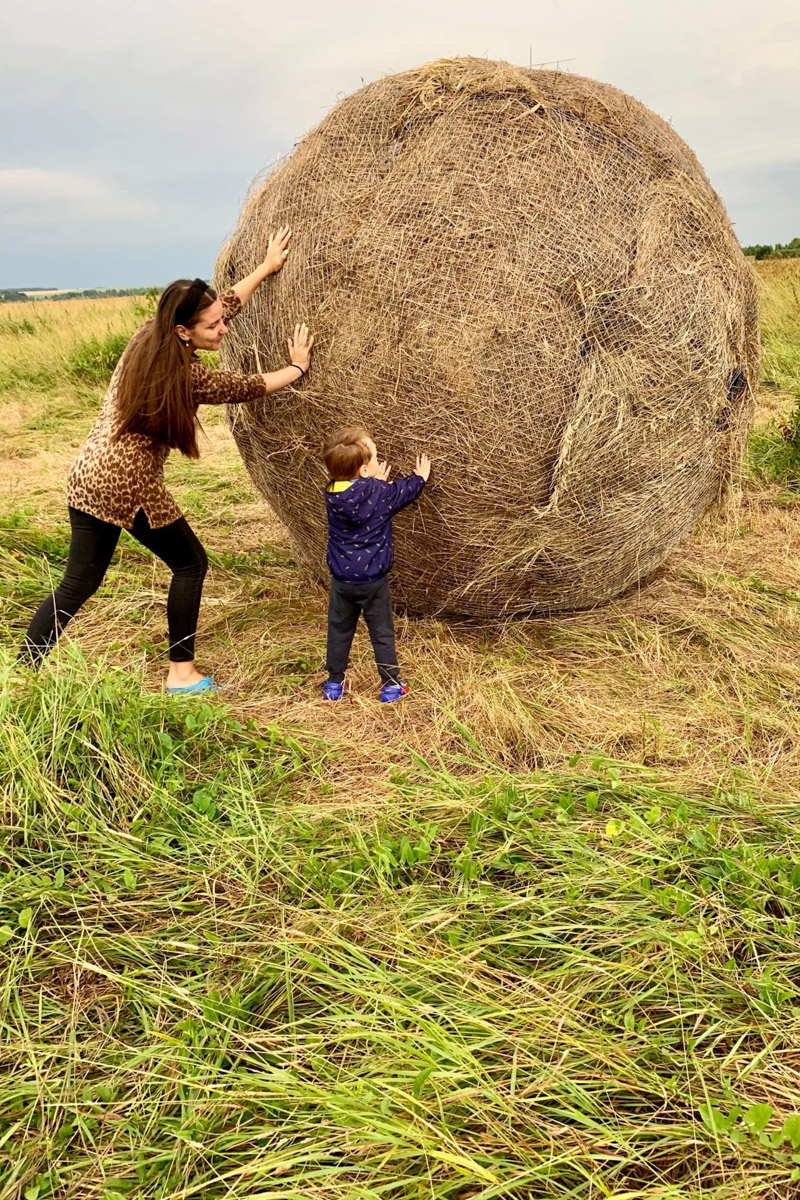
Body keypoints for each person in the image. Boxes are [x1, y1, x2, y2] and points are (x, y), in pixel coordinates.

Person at [21, 228, 314, 694]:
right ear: (183, 331)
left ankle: (23, 670)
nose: (222, 329)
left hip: (86, 474)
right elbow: (249, 385)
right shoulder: (188, 376)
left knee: (79, 582)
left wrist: (264, 268)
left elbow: (224, 306)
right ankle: (182, 674)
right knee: (191, 564)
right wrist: (297, 367)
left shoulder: (147, 337)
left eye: (220, 321)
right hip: (127, 483)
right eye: (212, 327)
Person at [322, 425, 431, 703]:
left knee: (339, 630)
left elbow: (360, 495)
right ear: (364, 471)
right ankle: (391, 685)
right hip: (373, 582)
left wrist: (374, 484)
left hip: (342, 582)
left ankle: (334, 684)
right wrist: (419, 478)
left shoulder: (332, 493)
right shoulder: (379, 494)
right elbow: (402, 493)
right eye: (373, 458)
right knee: (381, 632)